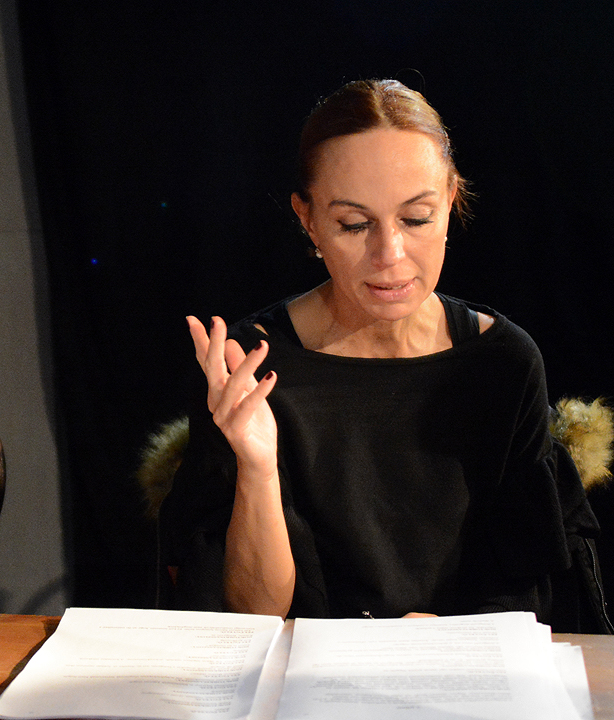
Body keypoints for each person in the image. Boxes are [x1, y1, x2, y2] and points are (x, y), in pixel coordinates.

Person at [159, 79, 611, 631]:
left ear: (450, 202)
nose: (389, 255)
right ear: (308, 219)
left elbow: (530, 595)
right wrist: (257, 468)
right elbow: (252, 616)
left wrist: (438, 639)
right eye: (354, 225)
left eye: (416, 218)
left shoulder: (503, 363)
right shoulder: (249, 366)